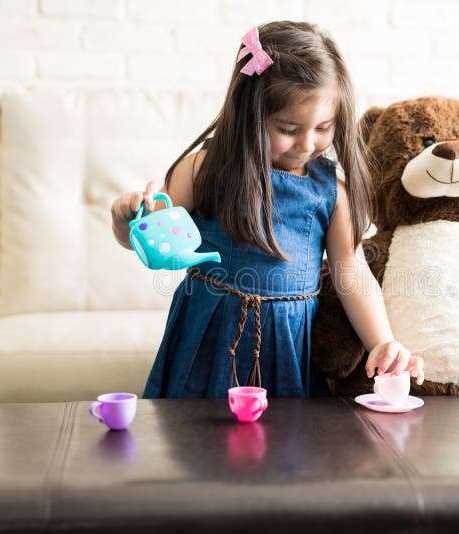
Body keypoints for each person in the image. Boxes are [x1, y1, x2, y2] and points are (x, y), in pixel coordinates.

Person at [111, 21, 425, 399]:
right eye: (289, 128)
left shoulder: (331, 192)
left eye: (324, 126)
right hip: (207, 336)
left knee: (284, 448)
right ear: (250, 114)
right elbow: (150, 239)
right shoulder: (203, 170)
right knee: (192, 440)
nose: (308, 143)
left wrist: (382, 342)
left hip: (288, 346)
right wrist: (126, 218)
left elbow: (351, 271)